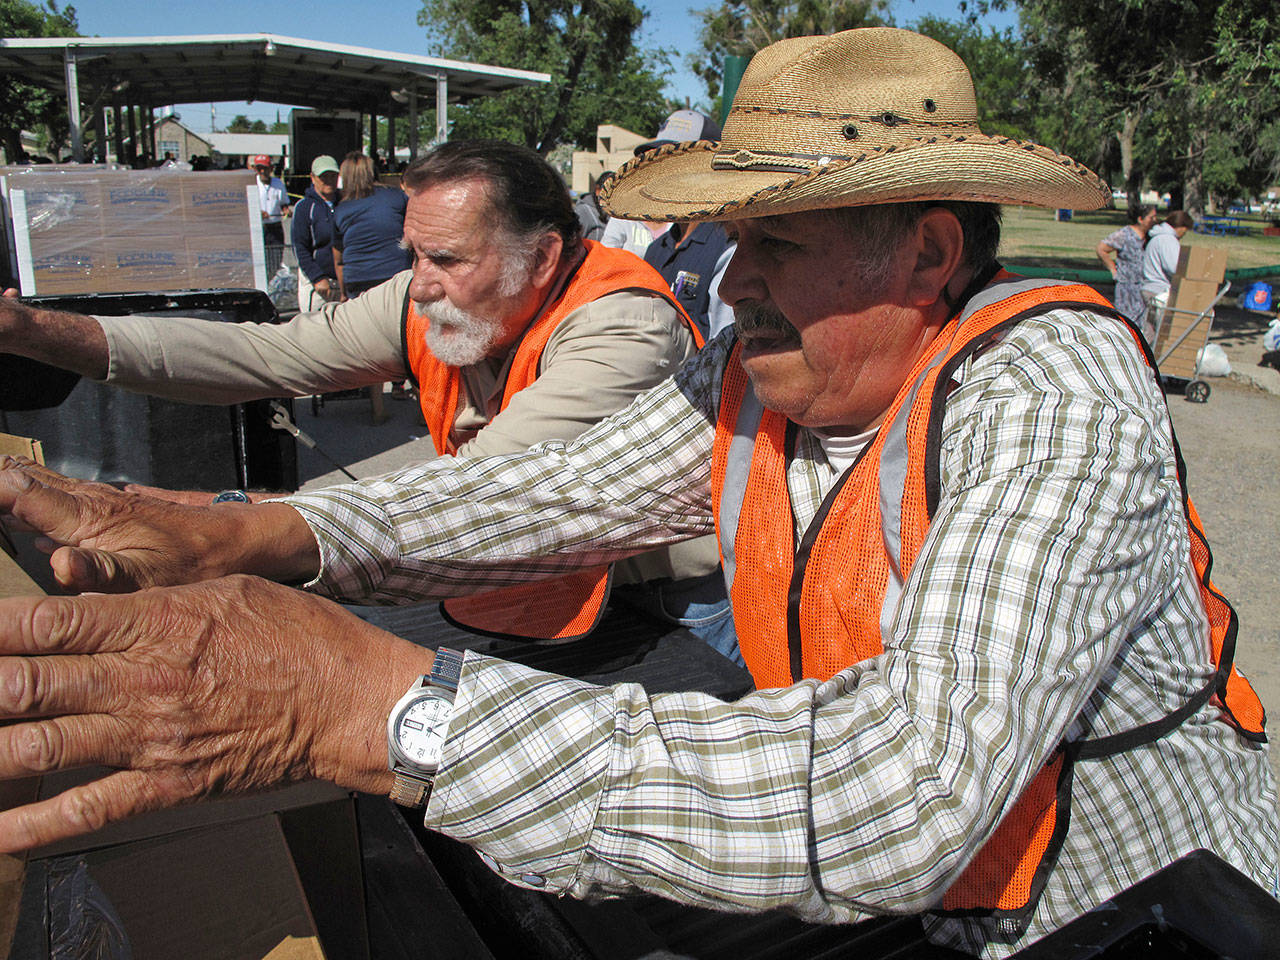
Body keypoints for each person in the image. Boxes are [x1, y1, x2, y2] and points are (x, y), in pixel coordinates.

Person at [0, 28, 1275, 959]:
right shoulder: (759, 372)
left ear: (928, 251)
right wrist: (265, 529)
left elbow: (906, 791)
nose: (732, 279)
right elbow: (548, 497)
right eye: (730, 238)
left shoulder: (1048, 384)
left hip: (1118, 913)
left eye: (773, 238)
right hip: (928, 901)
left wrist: (378, 707)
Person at [0, 138, 731, 655]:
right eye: (414, 253)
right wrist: (39, 332)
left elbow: (469, 496)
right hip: (532, 583)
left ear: (541, 257)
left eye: (445, 258)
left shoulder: (624, 324)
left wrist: (209, 523)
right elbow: (271, 352)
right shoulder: (430, 296)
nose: (419, 284)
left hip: (663, 607)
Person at [633, 110, 736, 340]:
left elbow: (725, 345)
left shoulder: (726, 250)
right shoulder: (657, 249)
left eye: (675, 163)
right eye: (658, 163)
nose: (661, 174)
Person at [331, 152, 412, 301]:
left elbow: (338, 260)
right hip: (396, 276)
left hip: (357, 281)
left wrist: (343, 294)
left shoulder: (341, 210)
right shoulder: (397, 197)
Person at [1096, 203, 1158, 340]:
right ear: (1140, 219)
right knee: (1126, 324)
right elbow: (1102, 249)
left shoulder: (1150, 237)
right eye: (1151, 217)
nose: (1154, 220)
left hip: (1144, 286)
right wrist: (1113, 268)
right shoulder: (1124, 234)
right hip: (1127, 287)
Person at [292, 155, 341, 312]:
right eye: (323, 176)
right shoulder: (304, 208)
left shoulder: (347, 203)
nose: (328, 180)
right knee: (313, 332)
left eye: (332, 176)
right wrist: (317, 278)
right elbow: (299, 248)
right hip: (317, 286)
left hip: (343, 284)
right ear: (312, 178)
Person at [1140, 209, 1194, 304]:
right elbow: (1174, 268)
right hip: (1160, 291)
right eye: (1185, 232)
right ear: (1181, 227)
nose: (1183, 235)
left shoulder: (1158, 237)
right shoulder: (1168, 240)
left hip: (1150, 287)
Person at [252, 154, 291, 276]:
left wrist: (286, 210)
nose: (262, 171)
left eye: (265, 168)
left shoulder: (278, 183)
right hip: (259, 228)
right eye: (259, 168)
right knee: (259, 262)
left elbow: (284, 203)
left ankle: (272, 283)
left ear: (271, 168)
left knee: (275, 260)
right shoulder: (253, 184)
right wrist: (258, 213)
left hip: (275, 227)